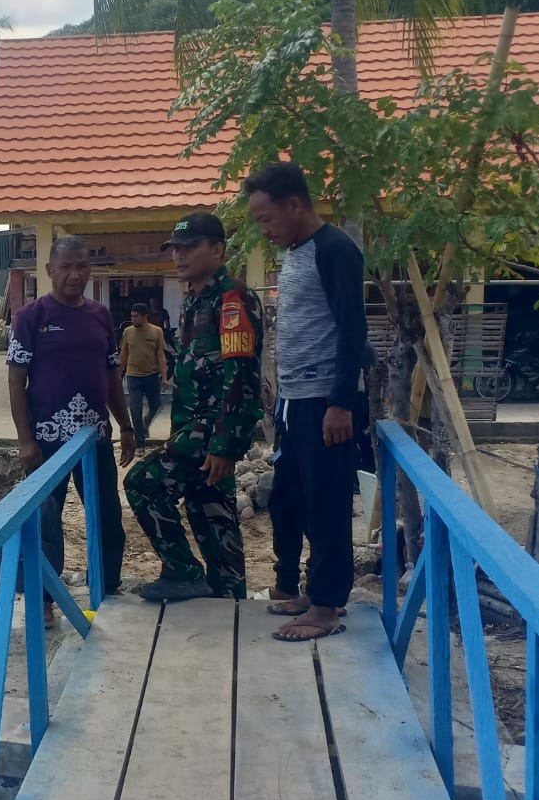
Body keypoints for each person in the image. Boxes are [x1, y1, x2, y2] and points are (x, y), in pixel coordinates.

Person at [245, 162, 367, 641]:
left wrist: (341, 403)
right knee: (292, 499)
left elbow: (352, 328)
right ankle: (314, 592)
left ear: (293, 205)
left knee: (327, 502)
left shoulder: (335, 249)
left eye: (266, 218)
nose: (264, 229)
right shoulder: (296, 252)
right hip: (294, 401)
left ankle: (327, 607)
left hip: (325, 402)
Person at [126, 213, 264, 602]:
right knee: (211, 514)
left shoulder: (232, 299)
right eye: (175, 249)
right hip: (194, 426)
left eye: (189, 248)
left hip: (211, 430)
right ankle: (229, 599)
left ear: (217, 249)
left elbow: (241, 375)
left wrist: (225, 444)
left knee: (143, 483)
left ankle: (182, 571)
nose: (179, 256)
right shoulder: (194, 300)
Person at [7, 236, 134, 623]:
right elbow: (16, 381)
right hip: (46, 442)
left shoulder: (100, 316)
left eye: (81, 266)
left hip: (94, 439)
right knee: (44, 520)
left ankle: (106, 590)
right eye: (65, 267)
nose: (74, 275)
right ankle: (43, 600)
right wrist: (25, 440)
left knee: (107, 516)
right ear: (50, 270)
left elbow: (112, 377)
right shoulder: (31, 317)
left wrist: (126, 426)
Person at [118, 302, 169, 447]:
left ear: (145, 316)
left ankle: (146, 423)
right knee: (135, 410)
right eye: (132, 316)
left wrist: (164, 377)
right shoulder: (128, 332)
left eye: (136, 316)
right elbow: (123, 354)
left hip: (151, 375)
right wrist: (118, 373)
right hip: (133, 376)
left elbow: (160, 355)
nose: (133, 319)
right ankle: (140, 443)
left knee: (156, 405)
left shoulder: (157, 331)